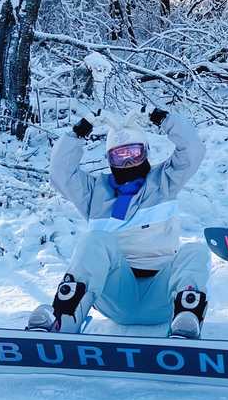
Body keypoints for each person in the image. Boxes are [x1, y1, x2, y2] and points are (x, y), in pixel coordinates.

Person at [26, 105, 211, 339]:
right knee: (95, 239)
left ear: (145, 152)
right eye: (119, 156)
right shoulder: (94, 192)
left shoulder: (165, 180)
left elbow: (192, 150)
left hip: (162, 294)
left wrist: (163, 119)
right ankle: (64, 318)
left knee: (196, 251)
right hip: (116, 294)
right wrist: (78, 133)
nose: (127, 163)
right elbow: (61, 173)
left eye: (133, 154)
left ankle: (186, 319)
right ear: (109, 159)